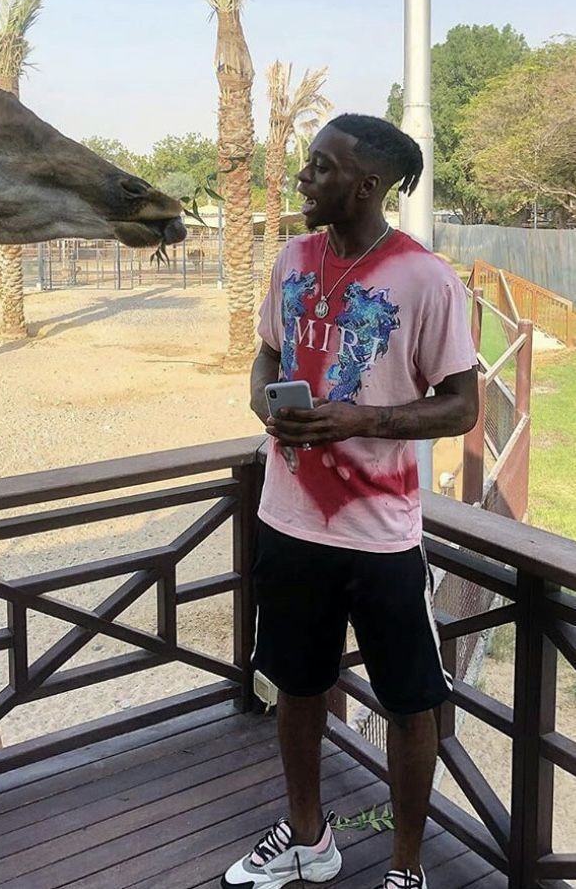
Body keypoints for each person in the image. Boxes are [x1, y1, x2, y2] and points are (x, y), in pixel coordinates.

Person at [221, 114, 479, 889]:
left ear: (367, 185)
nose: (304, 176)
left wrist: (363, 418)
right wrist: (268, 400)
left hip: (381, 535)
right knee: (298, 687)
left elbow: (462, 405)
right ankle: (309, 838)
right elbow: (268, 349)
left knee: (410, 704)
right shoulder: (291, 259)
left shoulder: (426, 279)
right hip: (289, 519)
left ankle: (406, 866)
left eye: (321, 167)